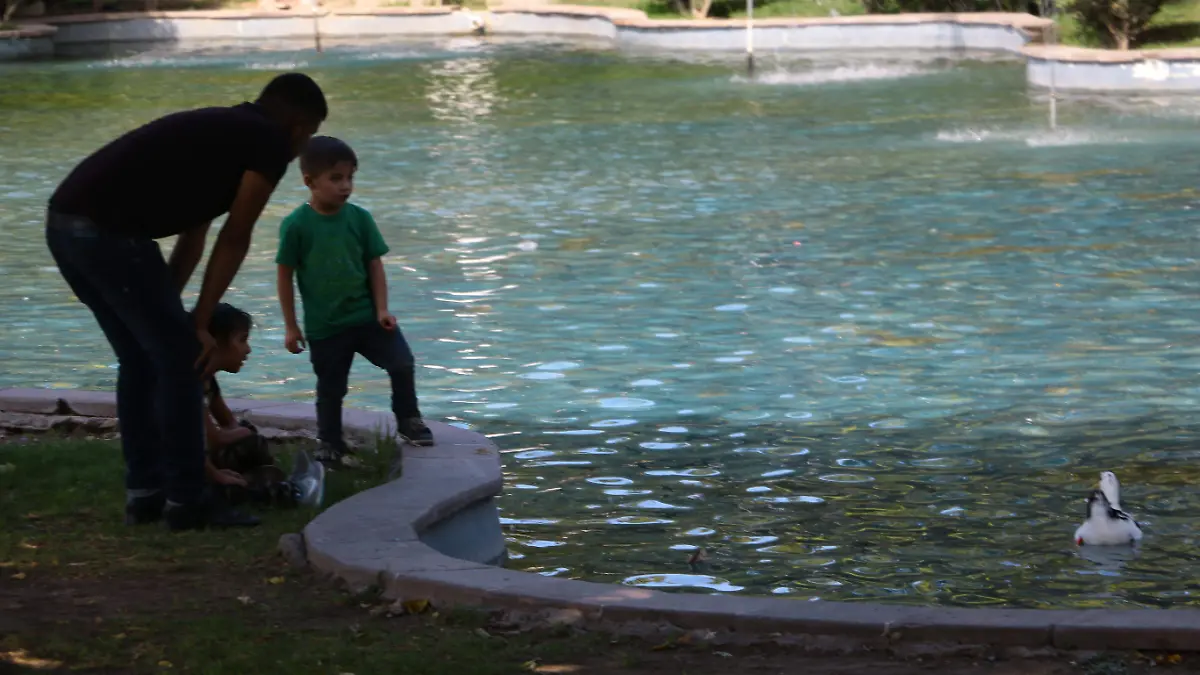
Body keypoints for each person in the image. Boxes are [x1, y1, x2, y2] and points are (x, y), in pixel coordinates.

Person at [45, 72, 328, 531]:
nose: (303, 147)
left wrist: (181, 314)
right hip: (106, 232)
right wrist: (195, 325)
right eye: (309, 135)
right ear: (298, 127)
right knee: (179, 359)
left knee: (141, 357)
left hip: (65, 226)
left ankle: (147, 494)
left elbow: (193, 235)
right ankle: (188, 499)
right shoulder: (268, 143)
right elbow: (235, 237)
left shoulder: (224, 136)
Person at [275, 135, 434, 469]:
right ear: (309, 181)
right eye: (335, 178)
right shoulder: (296, 226)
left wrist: (381, 309)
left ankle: (408, 419)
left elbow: (374, 264)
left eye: (350, 178)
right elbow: (285, 275)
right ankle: (330, 443)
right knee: (331, 388)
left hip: (367, 317)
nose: (345, 186)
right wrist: (291, 326)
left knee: (401, 363)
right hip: (326, 326)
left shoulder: (360, 219)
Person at [197, 303, 310, 509]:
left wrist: (244, 434)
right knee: (247, 446)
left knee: (248, 440)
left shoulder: (208, 382)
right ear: (216, 343)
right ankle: (288, 493)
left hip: (196, 458)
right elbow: (214, 439)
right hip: (181, 465)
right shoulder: (192, 383)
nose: (247, 349)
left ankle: (273, 481)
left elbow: (227, 423)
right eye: (242, 340)